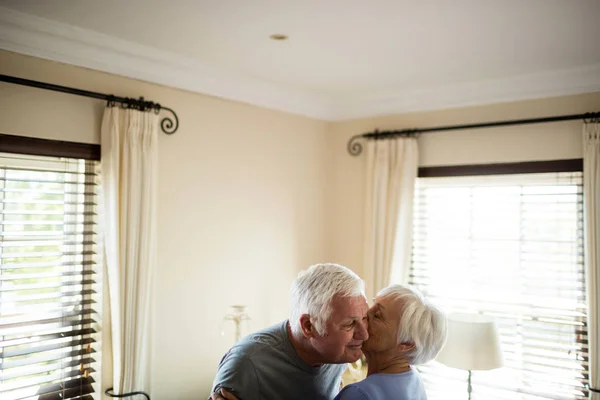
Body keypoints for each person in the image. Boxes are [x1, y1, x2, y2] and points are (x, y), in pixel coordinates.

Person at [210, 263, 369, 400]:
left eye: (364, 318)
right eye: (349, 324)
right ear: (308, 326)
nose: (364, 334)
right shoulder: (245, 364)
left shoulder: (340, 352)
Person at [334, 284, 447, 400]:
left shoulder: (359, 394)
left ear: (406, 343)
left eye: (377, 316)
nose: (365, 314)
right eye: (372, 304)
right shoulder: (414, 378)